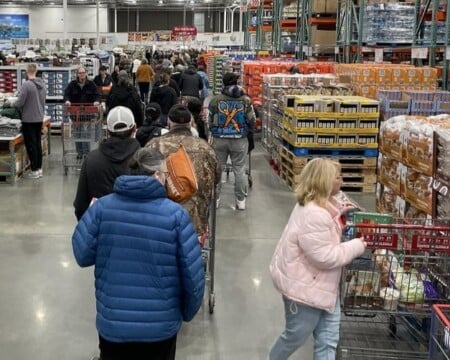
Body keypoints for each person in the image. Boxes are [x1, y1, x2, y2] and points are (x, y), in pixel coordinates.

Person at [72, 147, 205, 360]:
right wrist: (185, 313)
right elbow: (193, 276)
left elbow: (82, 254)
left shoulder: (103, 208)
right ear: (156, 176)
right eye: (165, 175)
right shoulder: (176, 216)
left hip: (114, 325)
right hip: (160, 329)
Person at [268, 158, 367, 360]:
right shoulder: (314, 214)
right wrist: (357, 245)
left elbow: (322, 237)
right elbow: (325, 256)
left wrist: (341, 221)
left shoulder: (321, 205)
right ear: (324, 181)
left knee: (328, 339)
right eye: (337, 177)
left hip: (323, 287)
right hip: (305, 289)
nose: (341, 181)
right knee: (295, 335)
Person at [146, 104, 221, 246]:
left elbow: (143, 178)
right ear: (190, 123)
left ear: (168, 122)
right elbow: (216, 178)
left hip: (160, 221)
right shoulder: (205, 148)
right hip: (195, 223)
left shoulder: (153, 145)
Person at [73, 106, 140, 220]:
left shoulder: (91, 160)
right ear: (134, 128)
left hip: (102, 228)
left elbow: (81, 205)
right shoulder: (143, 159)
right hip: (136, 230)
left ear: (108, 131)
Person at [208, 72, 256, 210]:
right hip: (240, 140)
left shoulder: (216, 100)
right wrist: (245, 131)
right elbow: (252, 121)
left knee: (218, 169)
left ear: (223, 83)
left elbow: (209, 120)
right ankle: (241, 201)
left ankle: (215, 200)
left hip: (219, 140)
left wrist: (215, 131)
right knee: (239, 170)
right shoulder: (246, 100)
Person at [14, 63, 46, 179]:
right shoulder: (42, 85)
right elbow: (43, 101)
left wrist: (13, 103)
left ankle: (34, 170)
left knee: (31, 145)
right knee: (37, 143)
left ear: (27, 72)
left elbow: (20, 102)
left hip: (28, 119)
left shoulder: (26, 85)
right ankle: (39, 168)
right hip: (39, 118)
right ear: (36, 71)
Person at [64, 66, 101, 158]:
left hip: (87, 114)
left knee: (85, 133)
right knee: (77, 134)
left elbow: (97, 95)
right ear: (77, 74)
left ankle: (86, 153)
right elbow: (66, 94)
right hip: (75, 114)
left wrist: (96, 101)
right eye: (80, 73)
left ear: (86, 73)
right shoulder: (72, 84)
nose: (82, 75)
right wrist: (67, 101)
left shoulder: (91, 84)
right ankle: (79, 153)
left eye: (83, 73)